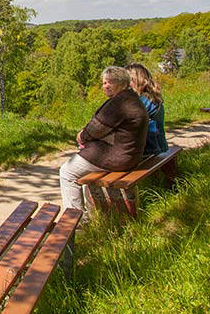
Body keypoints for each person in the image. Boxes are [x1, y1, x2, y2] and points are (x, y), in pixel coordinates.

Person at [58, 66, 149, 214]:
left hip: (117, 158)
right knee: (81, 172)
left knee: (67, 172)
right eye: (104, 83)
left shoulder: (119, 103)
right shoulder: (132, 99)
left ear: (121, 83)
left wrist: (81, 136)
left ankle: (75, 218)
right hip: (130, 156)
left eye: (110, 82)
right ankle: (89, 215)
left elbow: (96, 128)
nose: (105, 86)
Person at [126, 62, 168, 156]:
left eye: (128, 80)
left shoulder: (143, 101)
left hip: (150, 149)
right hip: (159, 146)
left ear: (137, 80)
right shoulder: (151, 97)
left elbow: (126, 121)